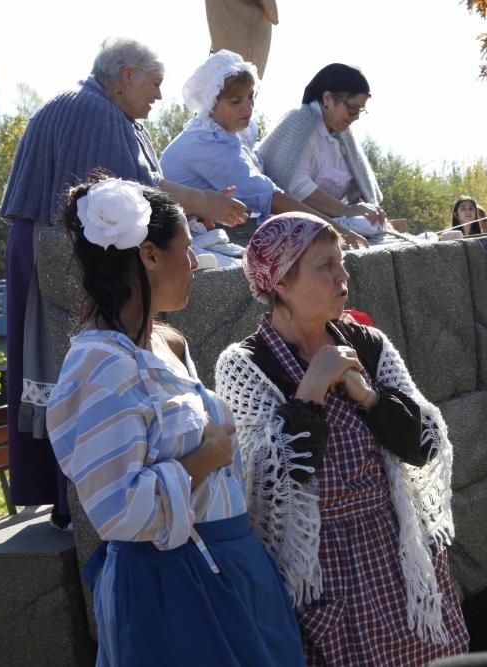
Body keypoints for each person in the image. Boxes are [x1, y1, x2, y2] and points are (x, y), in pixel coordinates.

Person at [45, 177, 304, 665]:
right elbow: (117, 511)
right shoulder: (100, 366)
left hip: (230, 570)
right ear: (148, 255)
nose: (195, 263)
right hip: (172, 590)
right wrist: (201, 462)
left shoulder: (168, 342)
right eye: (186, 249)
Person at [0, 37, 248, 529]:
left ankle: (68, 496)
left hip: (57, 249)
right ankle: (73, 497)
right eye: (154, 84)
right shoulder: (91, 110)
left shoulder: (104, 110)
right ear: (127, 75)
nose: (159, 96)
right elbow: (122, 194)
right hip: (55, 253)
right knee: (65, 363)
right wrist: (203, 201)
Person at [214, 213, 469, 664]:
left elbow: (423, 444)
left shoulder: (367, 344)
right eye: (325, 265)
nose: (342, 275)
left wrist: (368, 397)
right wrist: (311, 390)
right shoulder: (245, 366)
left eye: (342, 261)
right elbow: (267, 487)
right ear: (282, 282)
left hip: (396, 553)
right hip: (320, 571)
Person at [160, 50, 367, 250]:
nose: (247, 107)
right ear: (212, 103)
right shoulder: (206, 144)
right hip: (180, 238)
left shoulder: (234, 133)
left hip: (215, 227)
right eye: (235, 101)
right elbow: (270, 197)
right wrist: (335, 230)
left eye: (251, 97)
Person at [258, 63, 387, 240]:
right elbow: (296, 186)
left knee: (370, 223)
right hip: (291, 220)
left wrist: (365, 208)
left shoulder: (344, 136)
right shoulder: (298, 123)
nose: (356, 116)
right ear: (327, 99)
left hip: (333, 220)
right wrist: (346, 210)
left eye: (360, 110)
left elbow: (357, 189)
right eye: (352, 108)